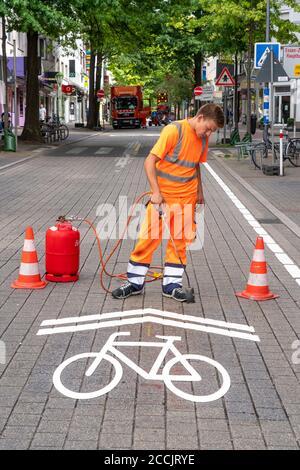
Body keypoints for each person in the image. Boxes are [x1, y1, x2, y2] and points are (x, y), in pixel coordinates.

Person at [112, 103, 225, 302]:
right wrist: (155, 192)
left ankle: (172, 285)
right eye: (208, 128)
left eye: (212, 131)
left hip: (187, 199)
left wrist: (199, 192)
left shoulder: (203, 140)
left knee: (180, 243)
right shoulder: (174, 131)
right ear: (199, 118)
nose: (208, 134)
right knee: (148, 239)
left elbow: (195, 165)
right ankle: (135, 283)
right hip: (163, 198)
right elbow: (149, 161)